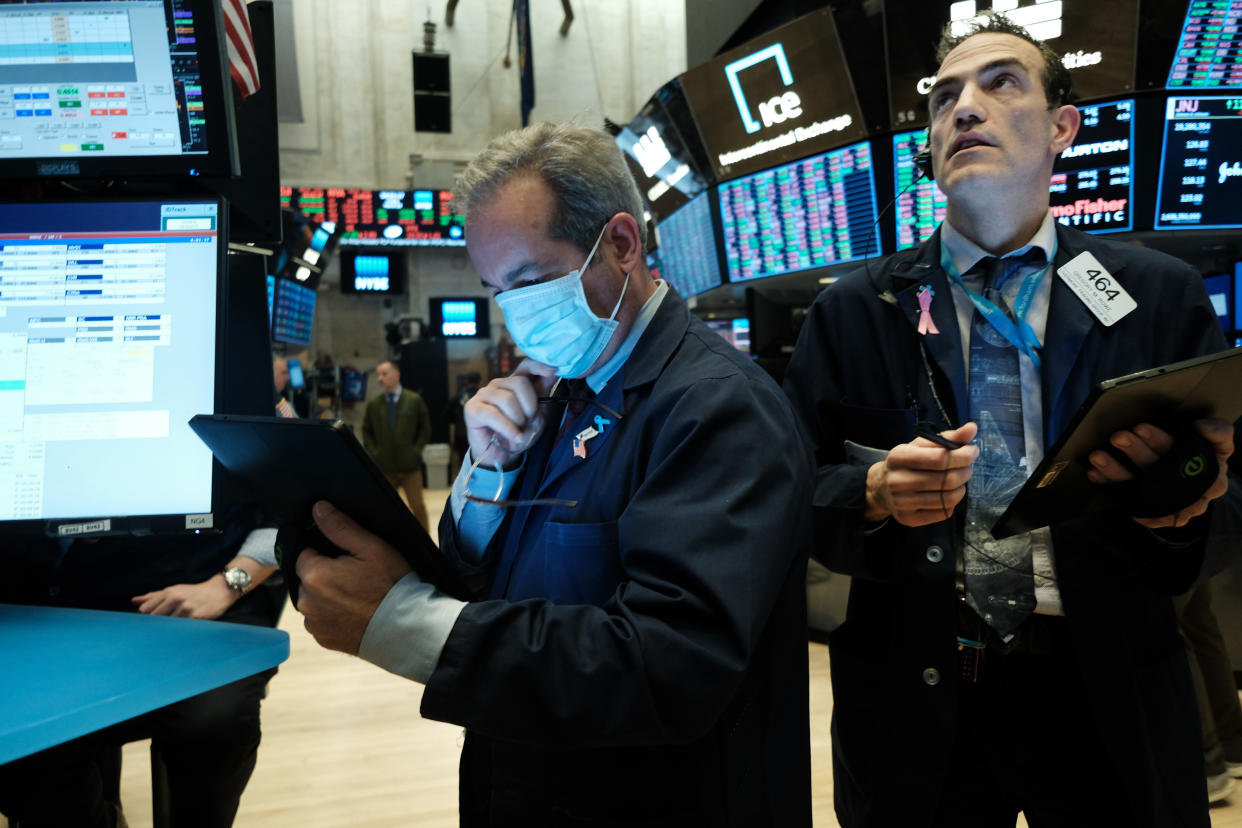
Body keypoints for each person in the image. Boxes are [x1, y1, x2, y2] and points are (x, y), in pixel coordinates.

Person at [782, 12, 1242, 828]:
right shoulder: (859, 310)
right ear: (929, 147)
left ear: (1062, 127)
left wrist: (1180, 505)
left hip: (1108, 688)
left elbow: (1229, 497)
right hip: (918, 697)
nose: (964, 108)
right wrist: (875, 494)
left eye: (1001, 83)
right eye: (944, 97)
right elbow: (788, 498)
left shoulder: (1154, 296)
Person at [292, 122, 813, 825]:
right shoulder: (557, 386)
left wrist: (401, 624)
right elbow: (488, 583)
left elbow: (669, 666)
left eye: (532, 281)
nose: (515, 315)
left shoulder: (720, 409)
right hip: (527, 780)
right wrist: (490, 474)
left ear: (622, 244)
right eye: (497, 289)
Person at [0, 503, 282, 828]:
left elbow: (293, 516)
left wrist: (227, 584)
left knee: (215, 723)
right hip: (39, 599)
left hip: (194, 587)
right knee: (28, 737)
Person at [1175, 578, 1242, 803]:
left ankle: (1208, 763)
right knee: (1197, 620)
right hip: (1193, 547)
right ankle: (1232, 744)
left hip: (1151, 548)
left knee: (1166, 631)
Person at [361, 360, 431, 530]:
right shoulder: (374, 404)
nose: (380, 378)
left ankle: (427, 546)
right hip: (385, 467)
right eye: (378, 375)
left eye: (384, 374)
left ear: (396, 375)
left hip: (410, 467)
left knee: (418, 507)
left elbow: (425, 428)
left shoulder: (413, 400)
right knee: (387, 510)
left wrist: (416, 450)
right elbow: (366, 430)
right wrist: (375, 452)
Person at [443, 371, 481, 470]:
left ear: (466, 381)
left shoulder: (457, 398)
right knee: (479, 462)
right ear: (479, 381)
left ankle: (464, 482)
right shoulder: (482, 396)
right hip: (480, 434)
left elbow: (446, 415)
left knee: (463, 461)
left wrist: (456, 421)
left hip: (461, 434)